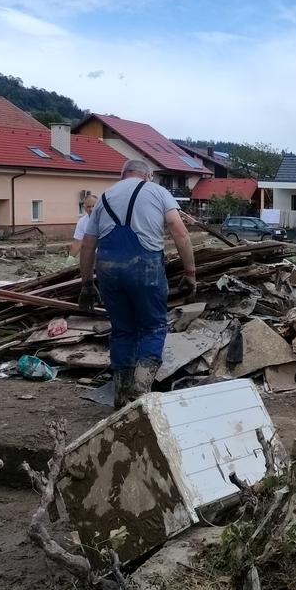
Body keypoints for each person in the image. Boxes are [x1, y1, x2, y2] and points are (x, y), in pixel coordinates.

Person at [78, 160, 198, 409]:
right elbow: (180, 233)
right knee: (153, 327)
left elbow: (88, 244)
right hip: (145, 268)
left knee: (123, 331)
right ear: (148, 175)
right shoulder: (158, 192)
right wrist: (190, 273)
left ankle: (121, 397)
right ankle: (140, 392)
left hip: (109, 269)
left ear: (122, 175)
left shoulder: (105, 197)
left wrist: (87, 284)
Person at [69, 193, 99, 258]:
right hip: (91, 257)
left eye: (94, 206)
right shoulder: (82, 221)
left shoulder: (106, 219)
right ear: (84, 208)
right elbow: (77, 243)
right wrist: (69, 260)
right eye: (88, 207)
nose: (91, 209)